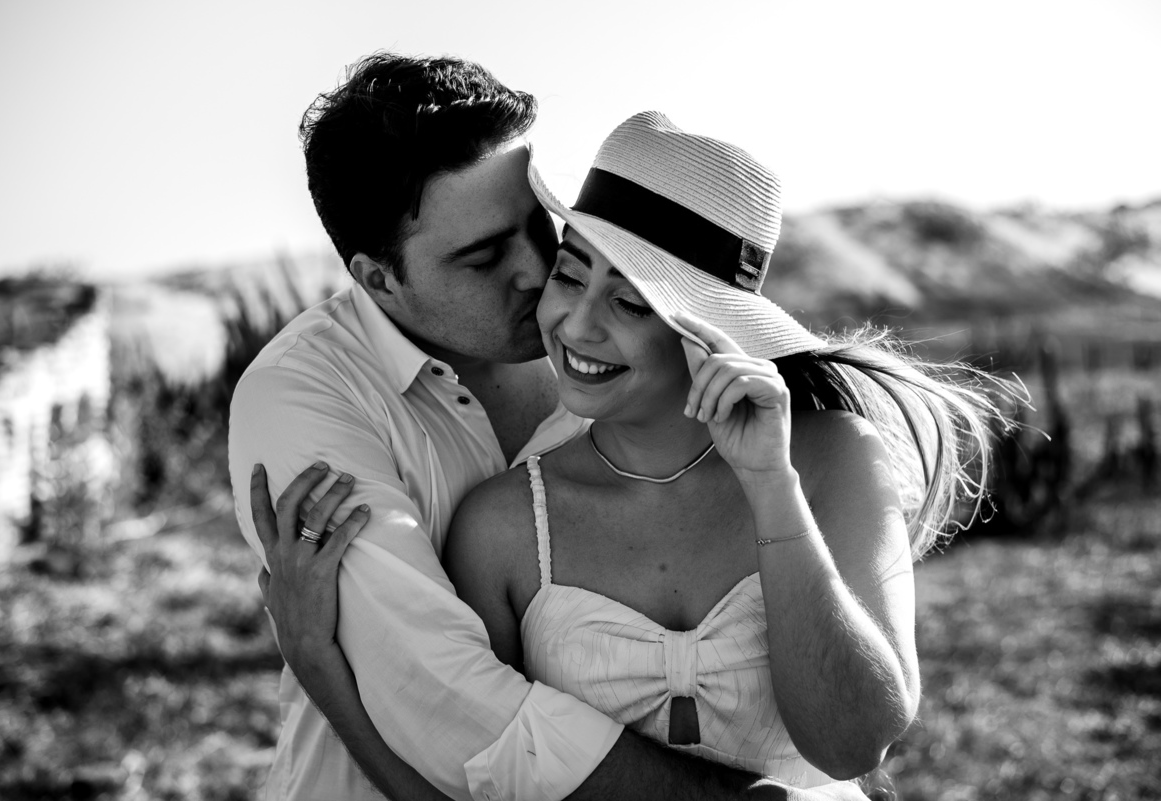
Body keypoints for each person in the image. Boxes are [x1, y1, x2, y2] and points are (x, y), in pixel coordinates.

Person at [250, 110, 1015, 797]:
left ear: (711, 327)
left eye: (629, 301)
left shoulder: (834, 458)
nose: (575, 325)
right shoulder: (504, 522)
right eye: (572, 271)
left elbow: (852, 743)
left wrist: (771, 488)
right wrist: (321, 670)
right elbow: (468, 775)